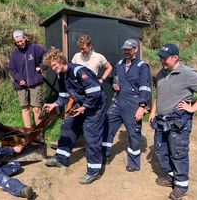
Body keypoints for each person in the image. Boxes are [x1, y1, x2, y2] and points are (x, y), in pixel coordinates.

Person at [148, 43, 197, 200]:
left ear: (175, 57)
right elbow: (158, 94)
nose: (162, 61)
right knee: (161, 151)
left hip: (178, 121)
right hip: (161, 120)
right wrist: (152, 112)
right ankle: (171, 177)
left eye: (165, 59)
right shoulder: (161, 73)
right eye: (161, 58)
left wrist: (192, 108)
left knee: (178, 153)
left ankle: (181, 186)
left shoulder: (188, 74)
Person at [41, 47, 106, 185]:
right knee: (67, 125)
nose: (53, 68)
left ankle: (94, 171)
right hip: (81, 105)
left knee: (91, 136)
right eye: (50, 67)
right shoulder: (61, 75)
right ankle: (61, 158)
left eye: (54, 65)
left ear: (61, 60)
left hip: (95, 106)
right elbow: (64, 96)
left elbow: (95, 92)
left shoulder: (78, 71)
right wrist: (54, 105)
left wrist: (84, 107)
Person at [49, 35, 112, 149]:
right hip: (78, 93)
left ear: (90, 46)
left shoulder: (98, 57)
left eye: (84, 48)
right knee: (69, 121)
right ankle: (69, 146)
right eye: (80, 49)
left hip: (92, 92)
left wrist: (101, 80)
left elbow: (109, 67)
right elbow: (69, 71)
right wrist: (55, 104)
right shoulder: (76, 57)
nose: (82, 51)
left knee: (91, 127)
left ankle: (93, 148)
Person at [101, 39, 152, 171]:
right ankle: (104, 155)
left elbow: (145, 88)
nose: (126, 52)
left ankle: (133, 163)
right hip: (118, 101)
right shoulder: (119, 64)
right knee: (107, 126)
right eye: (125, 49)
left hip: (133, 103)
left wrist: (141, 107)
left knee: (134, 133)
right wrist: (115, 86)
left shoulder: (142, 66)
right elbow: (117, 81)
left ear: (135, 49)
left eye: (129, 49)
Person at [9, 30, 48, 128]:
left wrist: (42, 67)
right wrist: (19, 79)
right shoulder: (14, 54)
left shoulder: (34, 48)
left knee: (36, 108)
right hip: (21, 85)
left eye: (21, 41)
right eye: (17, 42)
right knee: (25, 109)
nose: (20, 43)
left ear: (25, 38)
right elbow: (12, 69)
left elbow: (49, 54)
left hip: (35, 82)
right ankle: (28, 132)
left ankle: (38, 133)